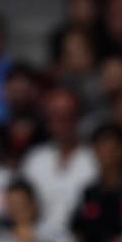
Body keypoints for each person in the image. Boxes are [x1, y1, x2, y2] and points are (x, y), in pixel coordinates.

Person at [21, 87, 98, 234]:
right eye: (56, 116)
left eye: (68, 116)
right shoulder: (34, 159)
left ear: (78, 118)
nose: (62, 123)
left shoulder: (94, 158)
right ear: (48, 121)